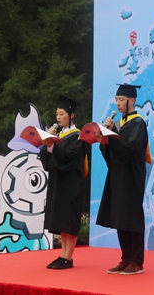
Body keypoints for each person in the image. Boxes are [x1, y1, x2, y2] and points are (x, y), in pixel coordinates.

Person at [96, 84, 150, 275]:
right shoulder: (119, 123)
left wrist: (112, 137)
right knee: (120, 216)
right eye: (116, 99)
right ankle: (125, 258)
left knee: (131, 216)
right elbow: (111, 155)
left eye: (121, 100)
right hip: (118, 175)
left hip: (132, 176)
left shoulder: (138, 123)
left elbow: (131, 148)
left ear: (132, 100)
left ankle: (136, 261)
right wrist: (104, 139)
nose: (117, 103)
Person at [39, 95, 88, 270]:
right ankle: (63, 255)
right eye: (57, 114)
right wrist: (47, 144)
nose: (58, 118)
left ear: (71, 115)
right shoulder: (58, 135)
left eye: (61, 114)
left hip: (72, 184)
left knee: (69, 219)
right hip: (59, 183)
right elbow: (46, 160)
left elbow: (69, 157)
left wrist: (53, 145)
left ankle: (68, 257)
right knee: (61, 219)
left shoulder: (78, 136)